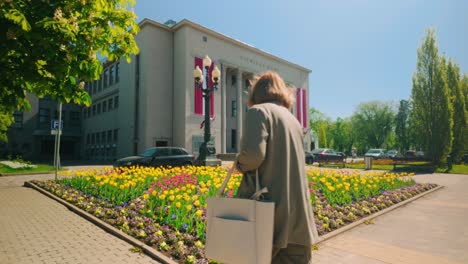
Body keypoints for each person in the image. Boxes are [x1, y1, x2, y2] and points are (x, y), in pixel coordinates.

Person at [235, 71, 318, 263]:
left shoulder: (258, 112)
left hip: (268, 218)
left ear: (256, 92)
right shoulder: (294, 120)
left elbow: (253, 156)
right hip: (298, 221)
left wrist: (239, 163)